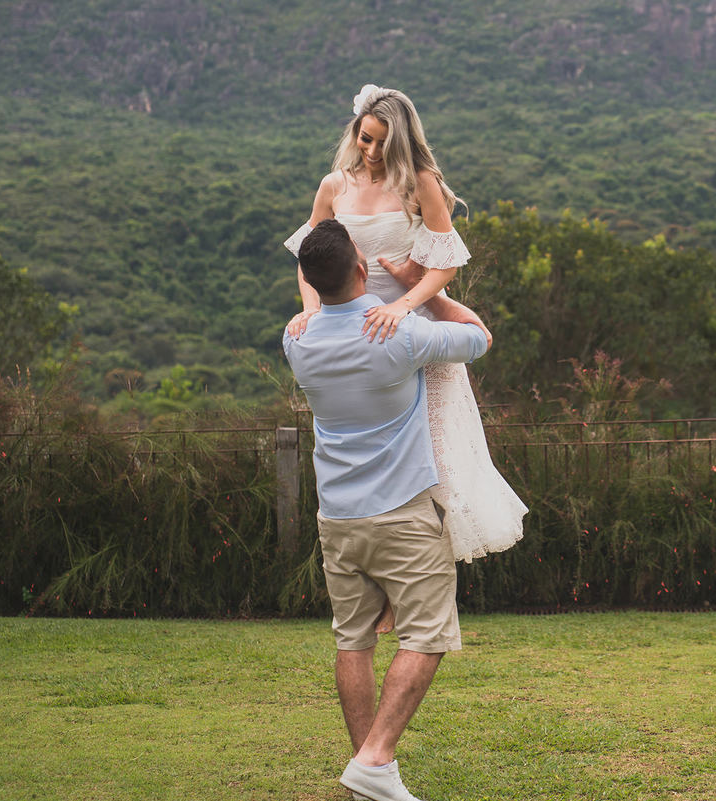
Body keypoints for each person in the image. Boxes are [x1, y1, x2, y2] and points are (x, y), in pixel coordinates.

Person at [284, 84, 527, 578]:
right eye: (364, 138)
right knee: (364, 441)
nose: (370, 152)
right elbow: (309, 258)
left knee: (436, 455)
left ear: (401, 140)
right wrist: (310, 308)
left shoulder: (421, 183)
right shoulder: (334, 186)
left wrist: (403, 306)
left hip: (409, 326)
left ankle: (424, 567)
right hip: (347, 323)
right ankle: (377, 566)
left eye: (381, 143)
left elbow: (444, 262)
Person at [284, 219, 488, 801]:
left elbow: (311, 310)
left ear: (309, 280)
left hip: (337, 518)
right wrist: (424, 290)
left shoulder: (296, 342)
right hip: (402, 514)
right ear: (359, 269)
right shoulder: (400, 336)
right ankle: (375, 758)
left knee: (353, 641)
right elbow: (479, 337)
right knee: (426, 635)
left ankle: (368, 774)